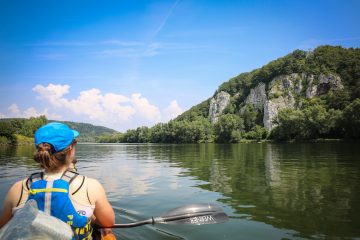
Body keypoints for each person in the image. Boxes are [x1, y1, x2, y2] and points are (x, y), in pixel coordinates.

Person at [0, 122, 115, 239]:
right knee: (108, 233)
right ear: (70, 149)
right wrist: (91, 218)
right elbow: (108, 222)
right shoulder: (91, 186)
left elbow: (3, 227)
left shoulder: (18, 188)